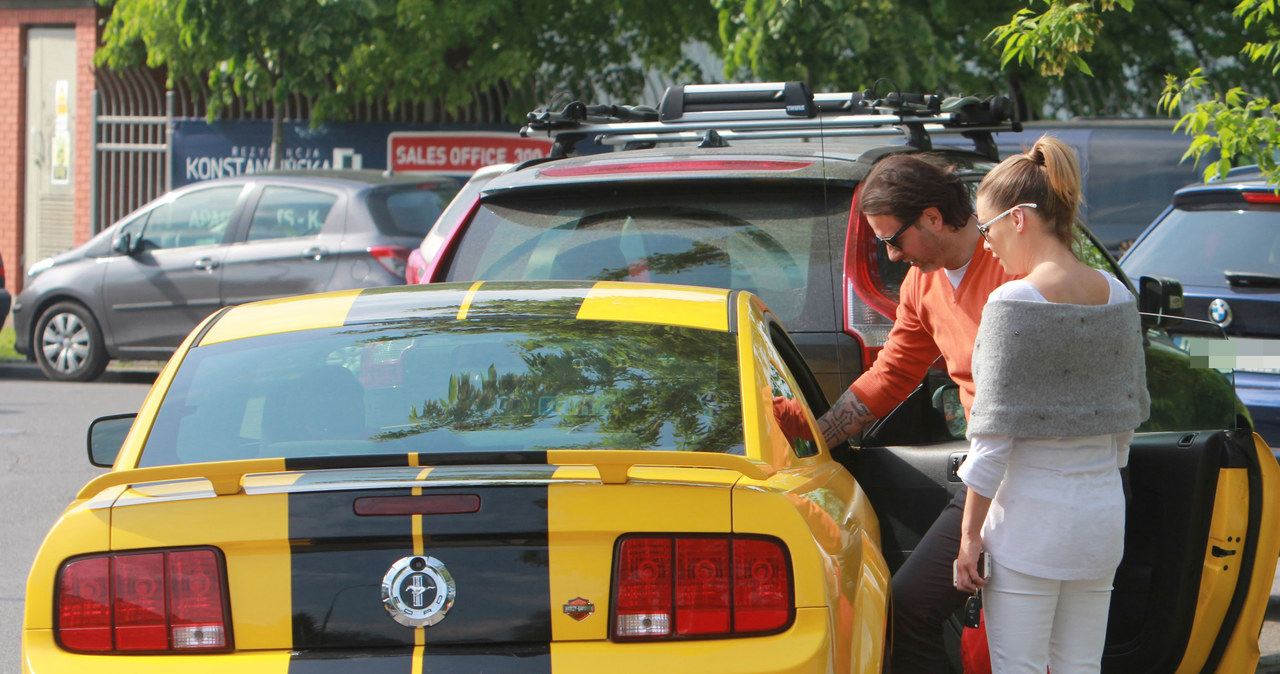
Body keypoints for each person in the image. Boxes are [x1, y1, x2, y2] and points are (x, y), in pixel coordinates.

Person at [951, 135, 1149, 672]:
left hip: (1030, 527)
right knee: (1081, 667)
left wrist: (969, 540)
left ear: (1019, 219)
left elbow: (990, 445)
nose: (983, 242)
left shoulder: (1011, 304)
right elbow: (1124, 431)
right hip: (1101, 522)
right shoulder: (1118, 295)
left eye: (986, 227)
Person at [816, 152, 1019, 672]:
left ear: (932, 216)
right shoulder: (920, 285)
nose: (890, 255)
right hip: (986, 474)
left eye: (893, 240)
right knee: (906, 608)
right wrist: (814, 437)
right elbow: (892, 374)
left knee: (1023, 637)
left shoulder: (1011, 265)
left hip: (1031, 472)